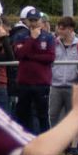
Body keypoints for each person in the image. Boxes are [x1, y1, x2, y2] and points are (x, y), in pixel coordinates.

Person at [49, 17, 78, 155]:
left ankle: (71, 147)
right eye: (58, 27)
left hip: (73, 87)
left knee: (71, 118)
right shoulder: (53, 44)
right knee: (52, 116)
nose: (59, 30)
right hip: (55, 86)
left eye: (62, 28)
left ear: (70, 29)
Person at [12, 7, 55, 135]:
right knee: (23, 114)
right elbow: (19, 54)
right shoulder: (21, 36)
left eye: (35, 20)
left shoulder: (48, 37)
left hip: (41, 82)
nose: (33, 23)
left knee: (42, 115)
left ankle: (45, 142)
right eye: (31, 20)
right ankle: (24, 141)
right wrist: (32, 40)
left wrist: (30, 57)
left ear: (40, 21)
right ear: (26, 21)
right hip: (24, 82)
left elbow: (50, 57)